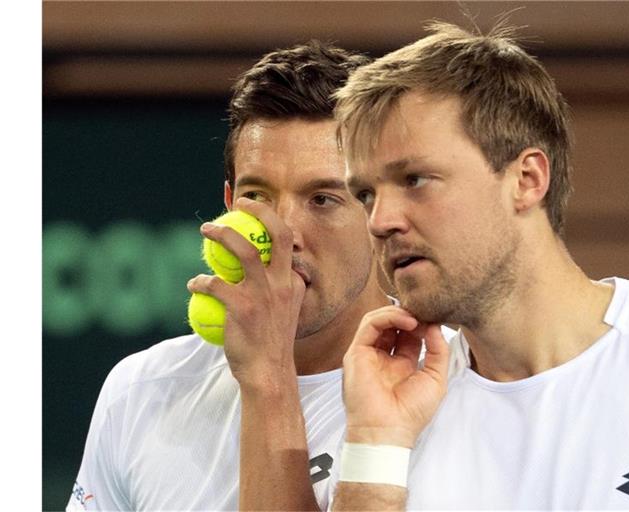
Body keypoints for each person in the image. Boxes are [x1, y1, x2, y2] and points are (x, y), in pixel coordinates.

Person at [329, 22, 629, 510]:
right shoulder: (384, 417)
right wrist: (374, 441)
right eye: (365, 194)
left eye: (414, 179)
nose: (379, 220)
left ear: (527, 179)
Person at [66, 42, 430, 511]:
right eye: (257, 196)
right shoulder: (140, 390)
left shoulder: (444, 389)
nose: (283, 233)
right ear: (229, 202)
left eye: (322, 198)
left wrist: (268, 376)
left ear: (375, 206)